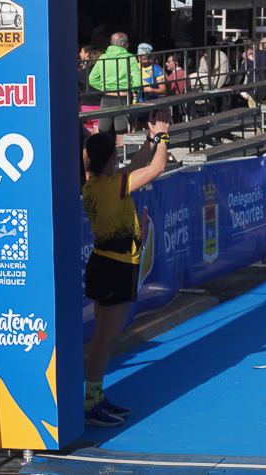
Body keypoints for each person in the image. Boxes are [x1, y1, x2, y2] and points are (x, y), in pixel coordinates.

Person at [81, 109, 171, 426]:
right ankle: (90, 402)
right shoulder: (112, 186)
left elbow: (134, 167)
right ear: (110, 160)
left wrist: (150, 140)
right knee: (106, 339)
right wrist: (163, 136)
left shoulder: (94, 184)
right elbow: (157, 167)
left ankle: (95, 396)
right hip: (115, 268)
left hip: (105, 264)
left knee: (103, 338)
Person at [88, 33, 140, 143]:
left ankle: (105, 154)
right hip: (123, 98)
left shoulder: (103, 57)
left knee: (104, 134)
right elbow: (137, 82)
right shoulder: (130, 58)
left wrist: (104, 87)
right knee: (121, 133)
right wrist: (132, 90)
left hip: (106, 98)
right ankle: (121, 153)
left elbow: (92, 79)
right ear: (124, 44)